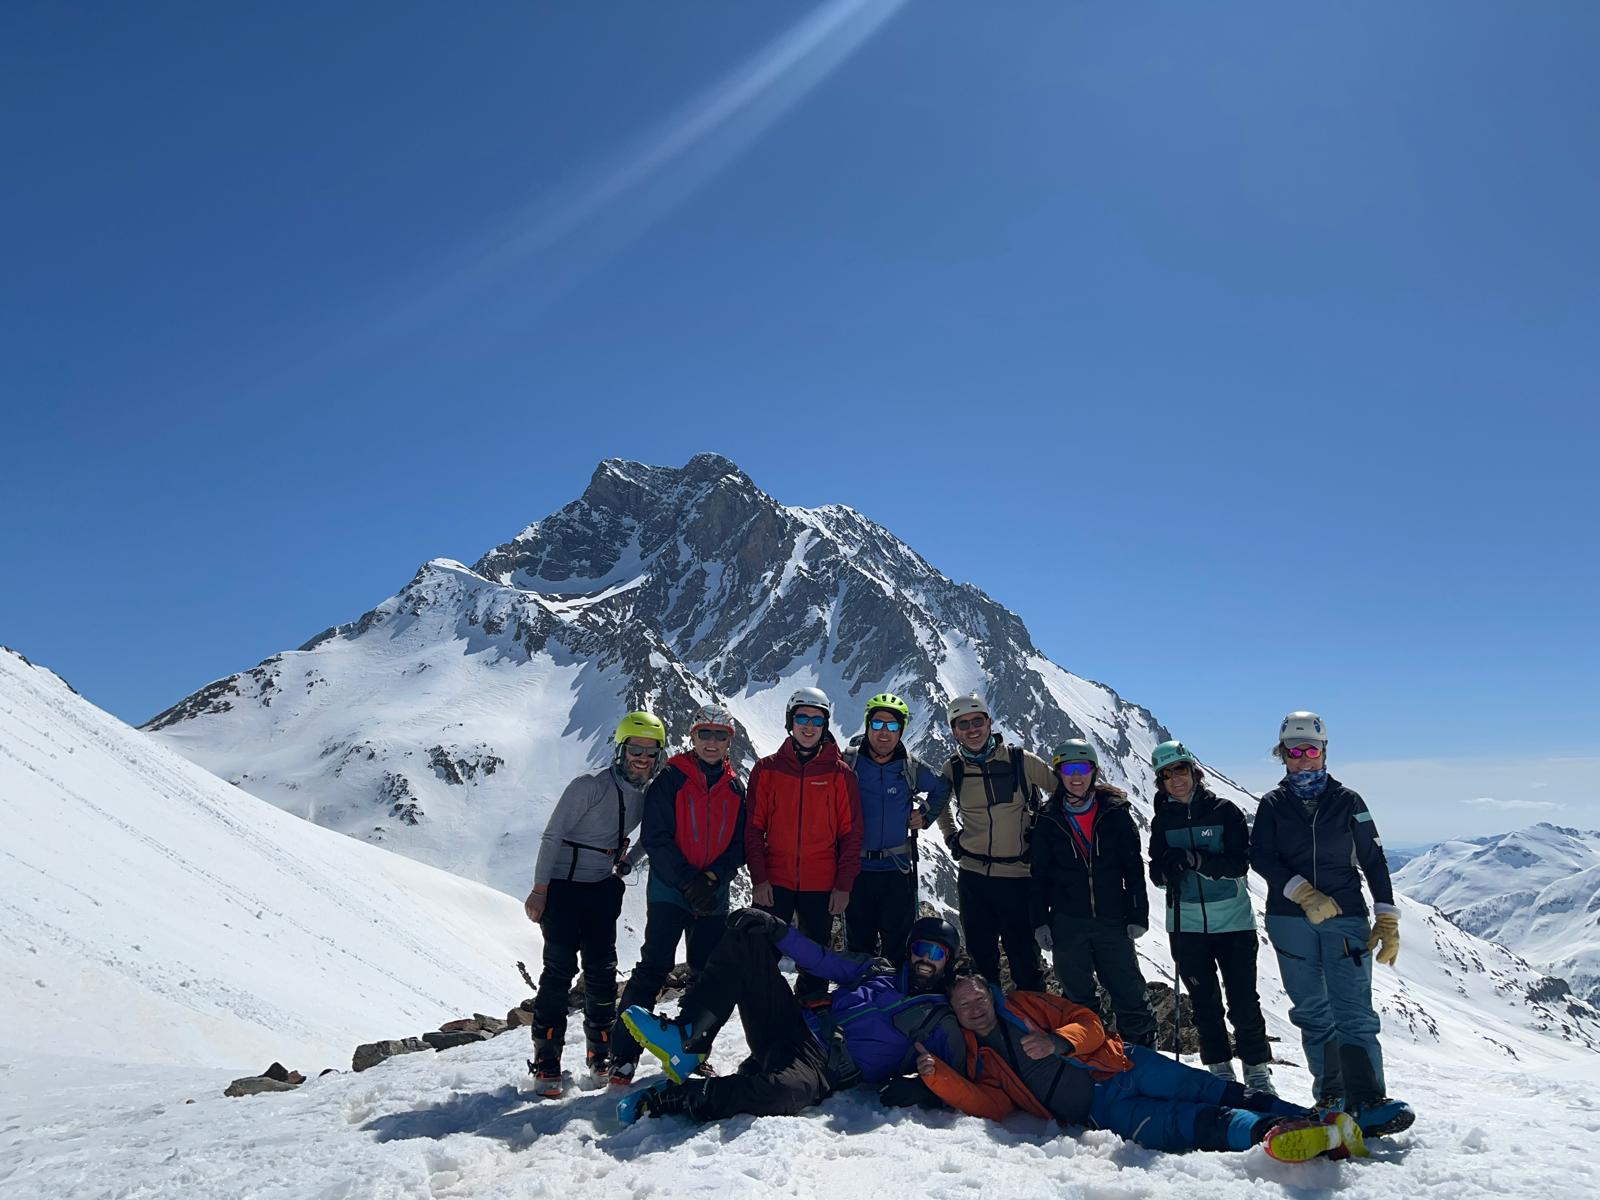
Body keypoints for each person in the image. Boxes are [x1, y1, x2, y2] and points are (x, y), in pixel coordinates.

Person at [917, 975, 1367, 1163]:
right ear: (955, 1015)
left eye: (978, 999)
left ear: (989, 996)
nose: (974, 1009)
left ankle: (1312, 1119)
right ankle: (1278, 1132)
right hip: (1100, 1109)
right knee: (1182, 1124)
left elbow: (1089, 1021)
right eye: (963, 1006)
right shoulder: (980, 1060)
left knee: (1204, 1087)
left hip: (1120, 1061)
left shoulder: (1025, 1005)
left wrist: (1058, 1041)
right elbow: (990, 1103)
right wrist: (937, 1075)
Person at [617, 913, 967, 1124]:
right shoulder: (876, 970)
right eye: (921, 948)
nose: (925, 958)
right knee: (748, 938)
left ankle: (676, 1097)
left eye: (936, 953)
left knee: (783, 1093)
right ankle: (689, 1038)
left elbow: (964, 1079)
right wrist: (777, 929)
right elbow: (821, 959)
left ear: (947, 962)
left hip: (821, 1066)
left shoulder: (939, 1021)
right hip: (791, 1022)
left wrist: (923, 1090)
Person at [1248, 711, 1413, 1135]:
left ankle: (1367, 1100)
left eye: (1311, 750)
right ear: (1282, 755)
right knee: (1312, 1011)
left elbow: (1373, 860)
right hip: (1290, 919)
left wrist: (1387, 917)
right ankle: (1331, 1097)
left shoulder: (1349, 802)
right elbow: (1262, 856)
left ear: (1324, 752)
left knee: (1353, 1011)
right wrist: (1301, 891)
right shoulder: (1272, 804)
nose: (1303, 758)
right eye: (1294, 751)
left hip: (1344, 918)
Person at [523, 711, 666, 1095]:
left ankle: (599, 1053)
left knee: (602, 971)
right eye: (636, 749)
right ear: (621, 749)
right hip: (564, 888)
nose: (642, 758)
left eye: (651, 752)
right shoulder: (589, 786)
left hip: (602, 887)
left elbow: (651, 837)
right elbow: (552, 836)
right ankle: (547, 1059)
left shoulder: (647, 793)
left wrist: (626, 863)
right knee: (559, 970)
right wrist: (540, 890)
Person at [609, 703, 747, 1088]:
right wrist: (691, 882)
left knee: (706, 975)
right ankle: (622, 1055)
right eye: (706, 734)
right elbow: (656, 837)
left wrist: (715, 877)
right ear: (693, 736)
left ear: (729, 742)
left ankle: (692, 1049)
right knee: (655, 966)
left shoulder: (736, 787)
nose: (712, 742)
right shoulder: (670, 778)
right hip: (671, 890)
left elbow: (740, 844)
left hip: (713, 895)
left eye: (721, 736)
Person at [1148, 739, 1274, 1093]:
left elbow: (1238, 864)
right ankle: (1220, 1070)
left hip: (1233, 923)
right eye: (1168, 774)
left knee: (1243, 1002)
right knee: (1205, 1005)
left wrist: (1196, 861)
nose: (1177, 780)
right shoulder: (1161, 821)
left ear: (1194, 771)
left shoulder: (1225, 811)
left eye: (1181, 770)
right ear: (1161, 781)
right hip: (1185, 926)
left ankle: (1257, 1071)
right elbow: (1156, 873)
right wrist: (1166, 871)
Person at [1028, 739, 1158, 1048]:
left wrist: (1137, 914)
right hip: (1067, 922)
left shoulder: (1115, 812)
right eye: (1069, 769)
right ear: (1059, 774)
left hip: (1112, 918)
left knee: (1128, 991)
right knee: (1078, 999)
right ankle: (1091, 1058)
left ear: (1094, 771)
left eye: (1083, 769)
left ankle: (1142, 1057)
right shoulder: (1047, 819)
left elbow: (1132, 869)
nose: (1076, 777)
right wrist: (1040, 922)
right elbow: (1038, 876)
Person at [744, 686, 864, 1001]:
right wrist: (759, 878)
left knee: (814, 961)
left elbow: (851, 835)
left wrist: (843, 885)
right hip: (775, 881)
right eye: (802, 717)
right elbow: (754, 829)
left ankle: (811, 1023)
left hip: (821, 885)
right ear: (790, 721)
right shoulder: (767, 769)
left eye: (817, 719)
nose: (808, 726)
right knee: (761, 956)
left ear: (825, 726)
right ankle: (766, 1022)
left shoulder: (841, 775)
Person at [934, 694, 1056, 991]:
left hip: (1018, 877)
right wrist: (951, 836)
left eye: (978, 721)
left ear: (989, 723)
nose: (972, 729)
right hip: (973, 877)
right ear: (954, 731)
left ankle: (1031, 1028)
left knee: (1025, 961)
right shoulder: (954, 768)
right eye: (964, 724)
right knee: (981, 961)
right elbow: (939, 804)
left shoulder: (1020, 760)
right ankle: (989, 1030)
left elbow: (1062, 789)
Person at [840, 692, 952, 967]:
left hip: (897, 871)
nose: (884, 733)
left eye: (892, 726)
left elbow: (942, 788)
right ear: (867, 725)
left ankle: (896, 1005)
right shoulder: (848, 762)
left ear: (901, 731)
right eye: (877, 724)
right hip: (857, 871)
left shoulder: (910, 767)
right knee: (858, 946)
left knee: (899, 947)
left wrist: (924, 815)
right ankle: (860, 1003)